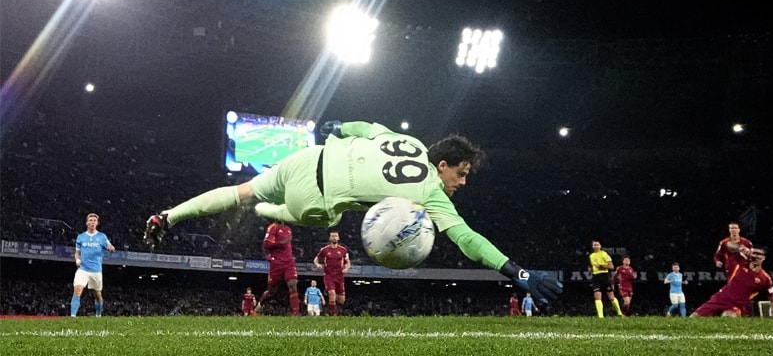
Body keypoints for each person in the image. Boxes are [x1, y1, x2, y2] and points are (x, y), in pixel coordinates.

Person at [144, 121, 562, 303]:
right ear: (442, 165)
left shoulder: (410, 142)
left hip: (311, 156)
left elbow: (364, 127)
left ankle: (167, 215)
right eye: (462, 173)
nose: (463, 182)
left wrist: (339, 128)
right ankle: (270, 211)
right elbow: (466, 239)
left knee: (241, 191)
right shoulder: (432, 192)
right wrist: (517, 272)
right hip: (315, 199)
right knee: (330, 219)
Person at [691, 246, 773, 318]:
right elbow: (729, 245)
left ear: (763, 258)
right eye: (754, 253)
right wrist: (740, 248)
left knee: (728, 317)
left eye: (759, 254)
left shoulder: (765, 278)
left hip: (737, 305)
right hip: (720, 298)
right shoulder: (740, 262)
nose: (755, 256)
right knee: (694, 317)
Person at [70, 213, 115, 317]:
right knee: (77, 290)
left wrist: (111, 248)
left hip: (96, 270)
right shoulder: (81, 237)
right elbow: (77, 252)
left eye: (94, 220)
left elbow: (110, 246)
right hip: (83, 269)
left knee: (97, 295)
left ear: (97, 223)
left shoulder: (102, 236)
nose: (92, 222)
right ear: (87, 223)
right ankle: (72, 316)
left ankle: (98, 315)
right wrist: (77, 260)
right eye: (90, 220)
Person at [255, 221, 299, 316]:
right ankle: (258, 307)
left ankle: (295, 314)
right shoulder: (272, 227)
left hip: (289, 262)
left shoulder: (288, 229)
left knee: (292, 284)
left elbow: (288, 245)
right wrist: (280, 243)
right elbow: (266, 244)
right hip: (276, 263)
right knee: (271, 292)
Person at [313, 230, 351, 316]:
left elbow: (348, 262)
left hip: (339, 276)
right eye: (332, 236)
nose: (334, 238)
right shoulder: (324, 250)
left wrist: (347, 268)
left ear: (338, 238)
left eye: (335, 236)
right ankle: (334, 314)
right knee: (332, 294)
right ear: (330, 238)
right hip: (329, 275)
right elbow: (316, 259)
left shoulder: (343, 250)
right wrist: (317, 264)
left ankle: (329, 294)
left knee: (341, 300)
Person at [588, 240, 623, 318]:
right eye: (594, 245)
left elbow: (611, 266)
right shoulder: (591, 256)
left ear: (600, 246)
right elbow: (591, 267)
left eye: (597, 245)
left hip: (604, 276)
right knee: (597, 296)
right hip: (596, 277)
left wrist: (601, 265)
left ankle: (619, 313)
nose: (596, 246)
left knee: (611, 296)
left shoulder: (604, 254)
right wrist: (591, 270)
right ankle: (600, 316)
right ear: (592, 246)